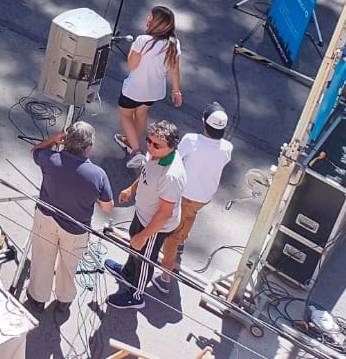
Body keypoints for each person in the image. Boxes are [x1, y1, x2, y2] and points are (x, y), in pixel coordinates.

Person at [26, 123, 115, 310]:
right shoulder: (98, 175)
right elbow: (107, 207)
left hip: (46, 218)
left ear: (65, 141)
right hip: (76, 230)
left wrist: (52, 139)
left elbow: (35, 150)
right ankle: (64, 300)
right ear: (88, 147)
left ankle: (38, 297)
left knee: (42, 259)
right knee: (69, 265)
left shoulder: (50, 159)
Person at [105, 120, 187, 310]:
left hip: (154, 226)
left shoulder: (171, 176)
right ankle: (127, 272)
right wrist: (131, 189)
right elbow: (145, 175)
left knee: (144, 260)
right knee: (134, 248)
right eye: (148, 141)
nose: (150, 146)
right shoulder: (155, 155)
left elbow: (165, 214)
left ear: (172, 146)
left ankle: (136, 294)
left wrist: (144, 235)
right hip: (142, 214)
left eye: (156, 145)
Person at [157, 104, 234, 285]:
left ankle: (165, 275)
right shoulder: (227, 148)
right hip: (204, 196)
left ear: (203, 122)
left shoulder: (191, 140)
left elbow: (175, 158)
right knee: (190, 216)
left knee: (172, 233)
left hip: (183, 192)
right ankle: (182, 241)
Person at [116, 6, 183, 166]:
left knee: (126, 115)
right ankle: (129, 141)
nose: (147, 19)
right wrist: (176, 91)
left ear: (157, 23)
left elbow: (132, 65)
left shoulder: (142, 41)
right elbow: (175, 69)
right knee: (141, 115)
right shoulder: (174, 44)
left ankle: (136, 151)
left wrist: (133, 50)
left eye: (151, 18)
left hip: (134, 89)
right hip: (154, 92)